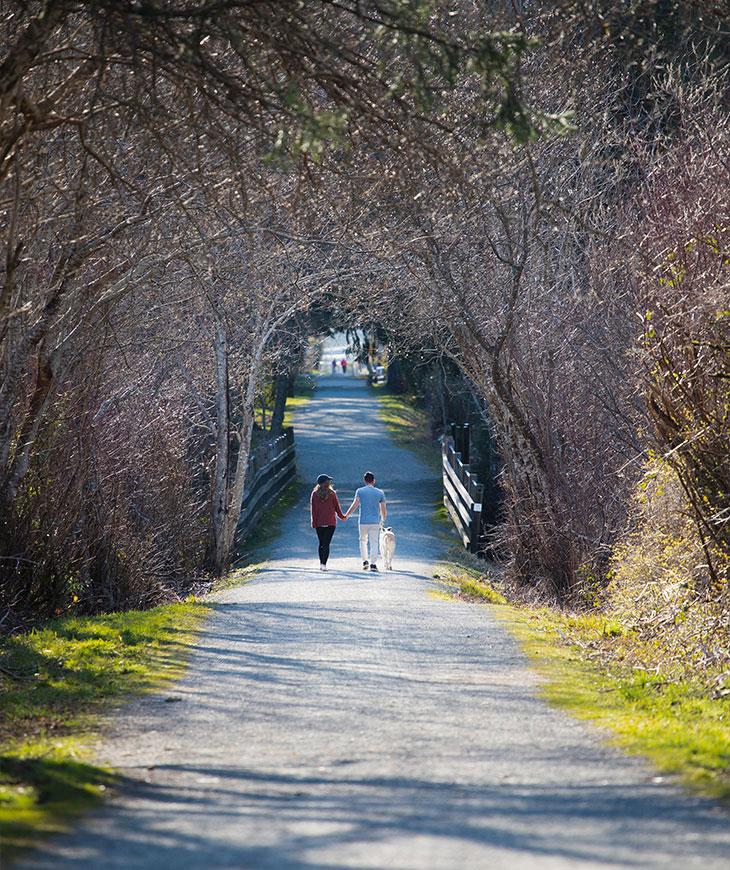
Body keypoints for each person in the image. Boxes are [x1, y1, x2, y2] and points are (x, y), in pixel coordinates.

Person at [344, 471, 386, 571]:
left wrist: (346, 515)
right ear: (374, 481)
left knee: (363, 541)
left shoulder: (360, 491)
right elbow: (383, 508)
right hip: (375, 521)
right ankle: (373, 564)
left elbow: (355, 505)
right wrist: (383, 520)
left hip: (363, 521)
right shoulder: (380, 492)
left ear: (364, 481)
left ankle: (365, 561)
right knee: (374, 543)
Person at [310, 474, 347, 571]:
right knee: (326, 544)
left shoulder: (314, 494)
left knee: (321, 543)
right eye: (328, 481)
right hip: (330, 522)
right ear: (325, 482)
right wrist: (342, 517)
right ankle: (324, 564)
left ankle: (321, 563)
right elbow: (336, 507)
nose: (329, 482)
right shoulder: (332, 493)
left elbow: (313, 510)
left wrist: (314, 522)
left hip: (319, 522)